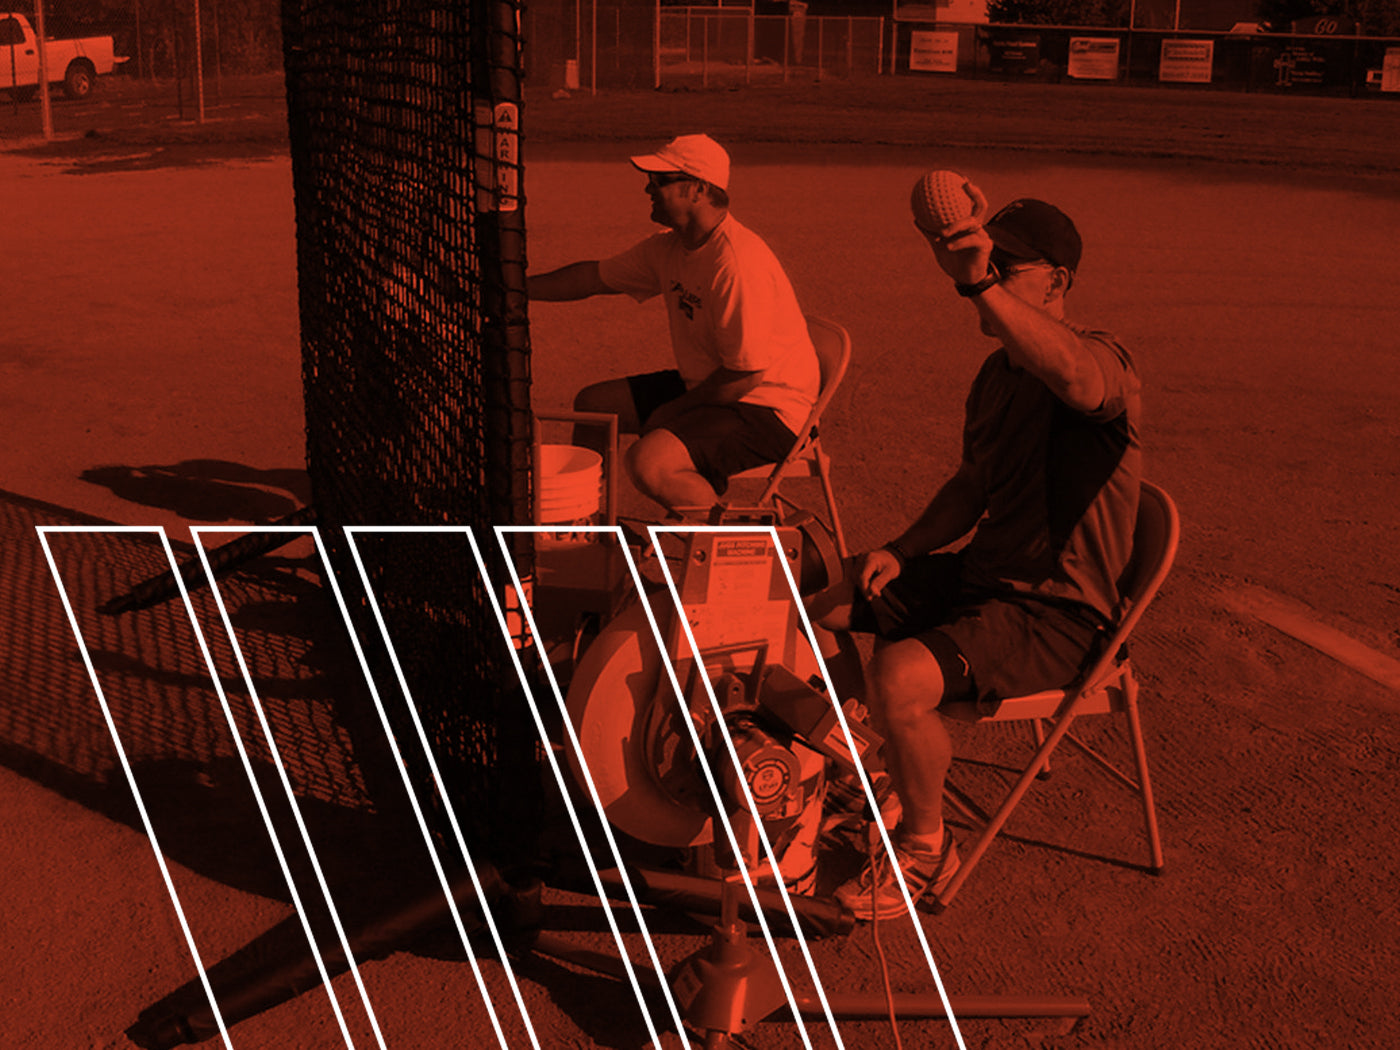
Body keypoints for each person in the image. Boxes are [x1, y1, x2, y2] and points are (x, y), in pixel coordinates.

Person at [811, 188, 1142, 920]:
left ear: (1057, 281)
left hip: (1057, 613)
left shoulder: (1101, 360)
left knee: (899, 676)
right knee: (823, 600)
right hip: (983, 578)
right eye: (984, 257)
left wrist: (979, 285)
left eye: (1006, 264)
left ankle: (927, 847)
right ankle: (873, 767)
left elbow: (1076, 379)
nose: (986, 272)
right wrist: (900, 549)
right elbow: (970, 488)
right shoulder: (995, 376)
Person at [527, 133, 820, 513]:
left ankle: (733, 550)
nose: (648, 187)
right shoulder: (669, 248)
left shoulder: (735, 263)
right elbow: (591, 278)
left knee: (650, 463)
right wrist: (511, 286)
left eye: (660, 180)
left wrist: (675, 409)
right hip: (715, 384)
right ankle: (585, 522)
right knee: (594, 406)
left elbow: (745, 377)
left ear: (697, 190)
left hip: (770, 408)